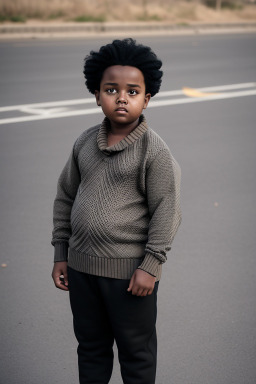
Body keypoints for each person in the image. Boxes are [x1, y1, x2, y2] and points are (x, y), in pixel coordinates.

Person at [51, 38, 181, 384]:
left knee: (135, 354)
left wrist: (150, 267)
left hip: (129, 277)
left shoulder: (155, 152)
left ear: (147, 98)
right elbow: (65, 197)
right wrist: (61, 253)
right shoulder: (83, 142)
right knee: (90, 348)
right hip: (80, 269)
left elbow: (167, 212)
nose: (121, 97)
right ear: (97, 95)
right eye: (111, 89)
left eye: (132, 91)